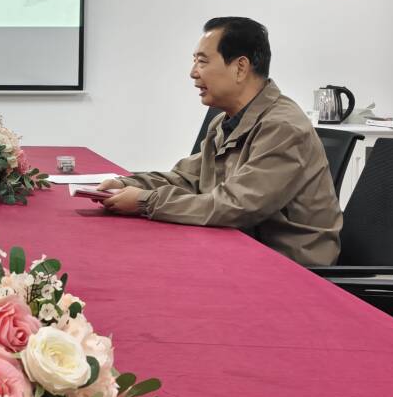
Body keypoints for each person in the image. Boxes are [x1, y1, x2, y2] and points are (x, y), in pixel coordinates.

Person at [96, 17, 341, 266]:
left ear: (240, 68)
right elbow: (187, 178)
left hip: (289, 266)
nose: (193, 73)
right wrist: (126, 183)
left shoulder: (282, 127)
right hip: (241, 247)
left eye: (202, 61)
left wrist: (145, 201)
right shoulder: (225, 122)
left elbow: (237, 206)